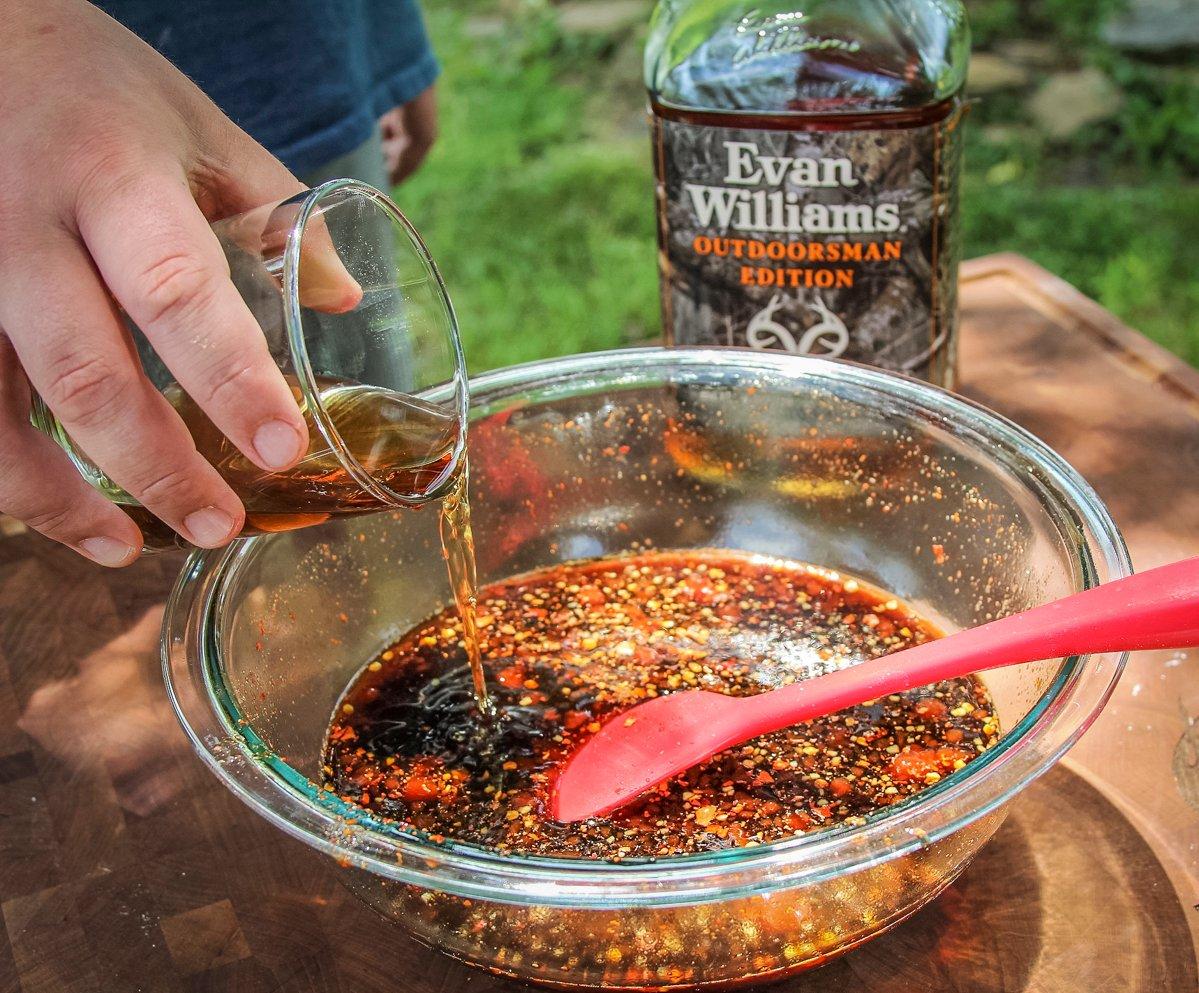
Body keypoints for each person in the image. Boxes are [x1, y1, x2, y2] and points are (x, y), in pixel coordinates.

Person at [0, 0, 438, 566]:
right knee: (121, 449)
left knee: (364, 487)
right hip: (42, 162)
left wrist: (391, 47)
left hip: (305, 65)